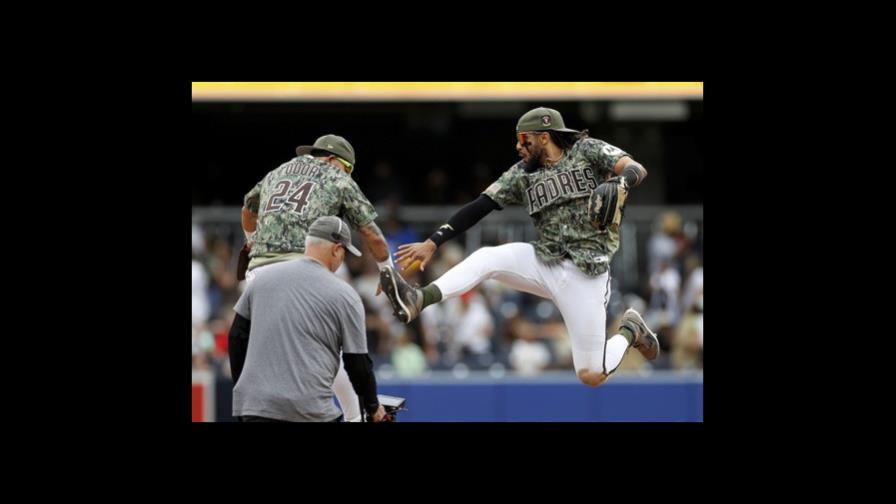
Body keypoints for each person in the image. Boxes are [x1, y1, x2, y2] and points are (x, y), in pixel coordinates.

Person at [380, 107, 659, 388]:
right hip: (545, 261)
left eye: (524, 139)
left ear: (544, 137)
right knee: (487, 258)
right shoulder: (522, 173)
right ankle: (419, 299)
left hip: (587, 273)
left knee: (590, 374)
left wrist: (622, 180)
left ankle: (629, 331)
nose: (518, 145)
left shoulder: (585, 150)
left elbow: (636, 168)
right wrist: (433, 242)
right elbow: (480, 206)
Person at [239, 134, 394, 421]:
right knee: (328, 345)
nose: (347, 174)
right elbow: (372, 234)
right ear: (337, 161)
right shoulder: (338, 178)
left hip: (259, 275)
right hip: (303, 268)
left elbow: (248, 209)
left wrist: (252, 241)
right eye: (348, 168)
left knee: (274, 348)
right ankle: (357, 415)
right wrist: (388, 269)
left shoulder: (279, 170)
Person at [229, 216, 387, 422]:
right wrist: (373, 406)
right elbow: (357, 363)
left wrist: (244, 396)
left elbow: (236, 338)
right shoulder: (345, 295)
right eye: (344, 253)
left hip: (256, 410)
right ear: (336, 249)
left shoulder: (262, 280)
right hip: (309, 412)